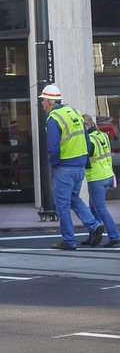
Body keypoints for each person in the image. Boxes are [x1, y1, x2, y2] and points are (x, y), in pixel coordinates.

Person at [40, 83, 104, 250]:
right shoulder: (75, 112)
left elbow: (53, 147)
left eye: (43, 100)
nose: (41, 103)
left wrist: (54, 164)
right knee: (74, 199)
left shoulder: (53, 118)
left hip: (65, 167)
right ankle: (94, 225)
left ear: (49, 101)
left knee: (62, 205)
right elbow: (87, 141)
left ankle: (69, 241)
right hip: (79, 166)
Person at [82, 113, 120, 248]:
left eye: (83, 126)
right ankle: (93, 234)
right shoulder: (103, 135)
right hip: (107, 174)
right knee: (94, 207)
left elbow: (87, 156)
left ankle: (114, 236)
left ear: (88, 125)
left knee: (100, 208)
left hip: (96, 177)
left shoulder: (89, 140)